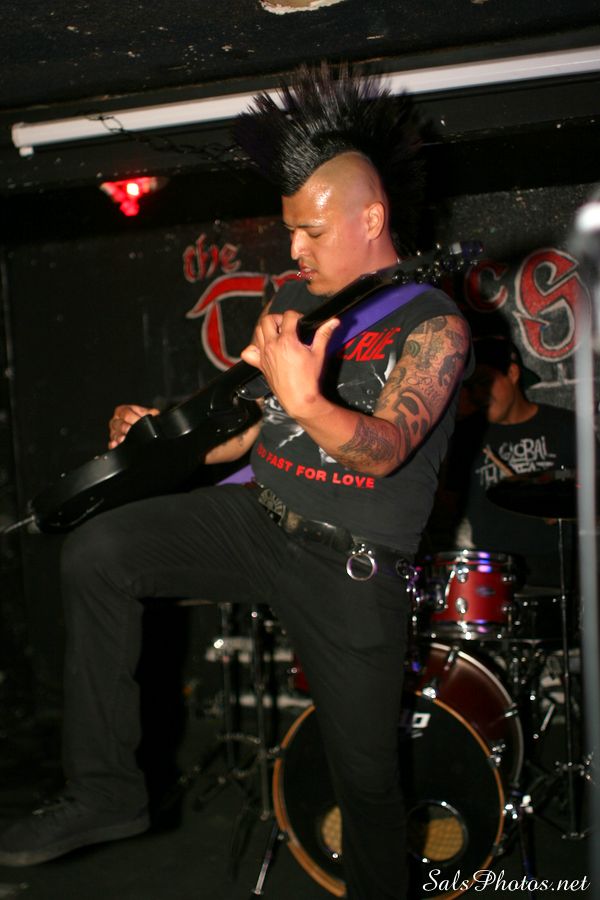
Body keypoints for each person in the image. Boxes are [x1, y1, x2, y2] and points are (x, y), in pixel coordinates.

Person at [0, 63, 470, 900]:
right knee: (99, 551)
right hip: (260, 517)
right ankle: (107, 792)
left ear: (370, 219)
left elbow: (387, 449)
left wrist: (310, 401)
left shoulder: (433, 323)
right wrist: (163, 431)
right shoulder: (293, 297)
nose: (295, 250)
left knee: (365, 786)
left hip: (350, 565)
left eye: (312, 231)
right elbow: (248, 433)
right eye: (291, 231)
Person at [437, 334, 577, 590]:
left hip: (558, 570)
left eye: (484, 382)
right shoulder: (467, 435)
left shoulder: (564, 425)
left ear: (512, 373)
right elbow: (446, 508)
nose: (478, 394)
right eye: (470, 387)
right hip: (490, 573)